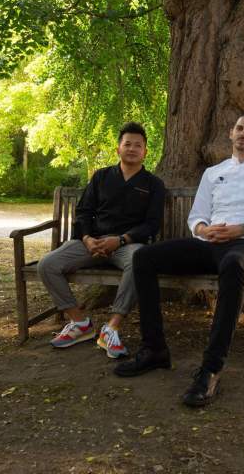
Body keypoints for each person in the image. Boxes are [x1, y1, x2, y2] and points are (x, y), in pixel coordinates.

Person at [114, 111, 244, 407]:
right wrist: (202, 229)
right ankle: (154, 350)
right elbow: (196, 216)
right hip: (208, 243)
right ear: (230, 133)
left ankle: (211, 368)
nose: (243, 134)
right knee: (145, 257)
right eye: (239, 128)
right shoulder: (214, 173)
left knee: (233, 265)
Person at [37, 122, 165, 357]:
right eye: (127, 144)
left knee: (140, 261)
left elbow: (152, 224)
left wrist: (122, 240)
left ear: (145, 151)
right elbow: (84, 212)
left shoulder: (154, 184)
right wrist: (86, 239)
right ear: (118, 149)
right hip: (92, 242)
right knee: (47, 265)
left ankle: (111, 328)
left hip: (127, 245)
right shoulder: (101, 177)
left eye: (138, 145)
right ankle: (80, 323)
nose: (132, 148)